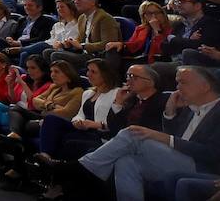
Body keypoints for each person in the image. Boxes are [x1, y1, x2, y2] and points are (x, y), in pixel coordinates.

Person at [66, 65, 220, 201]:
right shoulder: (189, 108)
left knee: (133, 133)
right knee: (126, 162)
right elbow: (175, 136)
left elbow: (212, 154)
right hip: (176, 158)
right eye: (177, 82)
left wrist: (165, 138)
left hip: (202, 166)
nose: (177, 87)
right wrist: (169, 113)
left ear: (205, 86)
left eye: (183, 82)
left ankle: (81, 169)